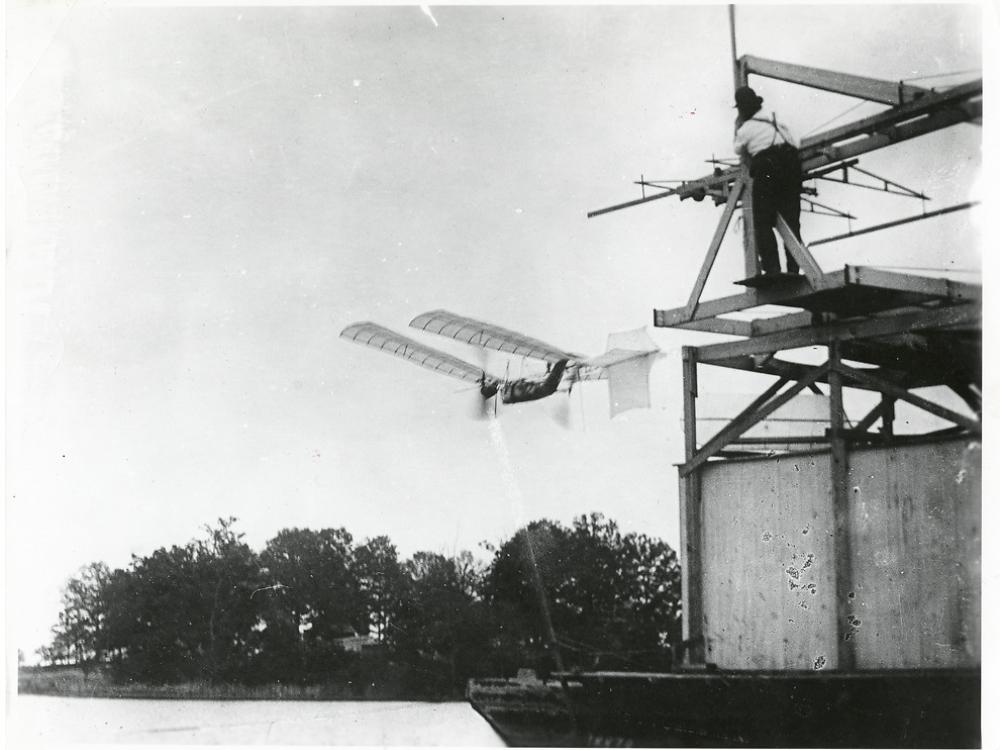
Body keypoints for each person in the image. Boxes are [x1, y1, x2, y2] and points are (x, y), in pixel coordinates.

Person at [733, 85, 803, 276]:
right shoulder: (776, 120)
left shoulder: (745, 128)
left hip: (768, 166)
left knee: (762, 219)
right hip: (791, 164)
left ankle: (772, 267)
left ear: (741, 109)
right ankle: (795, 267)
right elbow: (795, 142)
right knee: (792, 220)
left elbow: (737, 149)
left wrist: (737, 125)